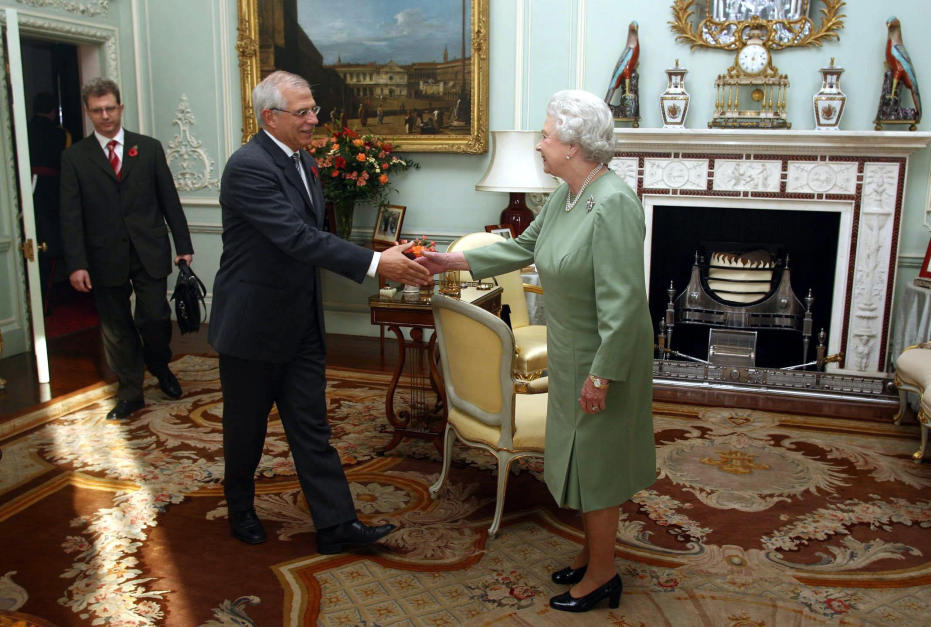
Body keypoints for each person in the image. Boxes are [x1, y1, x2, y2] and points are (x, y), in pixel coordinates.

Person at [418, 89, 656, 613]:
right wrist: (448, 261)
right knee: (578, 456)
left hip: (604, 357)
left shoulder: (613, 202)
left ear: (573, 145)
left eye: (546, 134)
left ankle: (603, 575)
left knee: (600, 465)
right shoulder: (565, 196)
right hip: (570, 351)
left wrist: (604, 376)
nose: (540, 144)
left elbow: (624, 304)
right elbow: (522, 249)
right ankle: (595, 555)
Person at [208, 70, 430, 553]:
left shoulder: (305, 162)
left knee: (312, 427)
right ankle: (240, 509)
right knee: (245, 428)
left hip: (302, 321)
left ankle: (336, 526)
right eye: (303, 111)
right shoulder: (248, 166)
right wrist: (375, 263)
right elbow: (294, 236)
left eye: (313, 110)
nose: (314, 119)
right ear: (271, 116)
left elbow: (315, 237)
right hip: (251, 326)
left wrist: (384, 253)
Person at [60, 77, 193, 420]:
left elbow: (169, 200)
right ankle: (131, 391)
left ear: (120, 108)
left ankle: (159, 364)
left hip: (148, 250)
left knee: (154, 317)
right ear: (89, 113)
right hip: (103, 257)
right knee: (116, 328)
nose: (105, 116)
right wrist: (77, 264)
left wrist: (184, 244)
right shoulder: (75, 158)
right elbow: (70, 216)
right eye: (97, 111)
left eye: (110, 108)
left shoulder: (148, 148)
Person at [28, 92, 71, 306]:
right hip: (52, 192)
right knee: (48, 244)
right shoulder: (61, 135)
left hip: (26, 190)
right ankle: (44, 298)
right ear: (53, 112)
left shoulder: (22, 130)